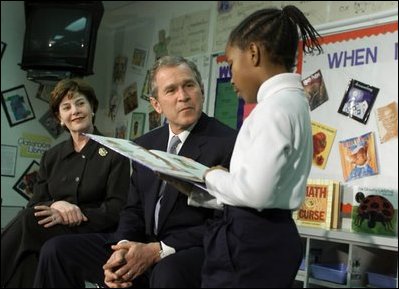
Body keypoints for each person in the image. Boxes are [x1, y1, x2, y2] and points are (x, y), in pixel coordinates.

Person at [33, 56, 237, 288]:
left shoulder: (228, 142)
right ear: (156, 104)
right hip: (141, 242)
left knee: (167, 272)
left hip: (189, 248)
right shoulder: (144, 144)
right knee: (57, 250)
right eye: (171, 90)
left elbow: (227, 220)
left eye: (189, 85)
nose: (183, 96)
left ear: (201, 90)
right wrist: (123, 247)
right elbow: (133, 209)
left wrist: (158, 250)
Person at [181, 5, 323, 287]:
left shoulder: (273, 109)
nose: (231, 78)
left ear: (254, 54)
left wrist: (209, 176)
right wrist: (202, 191)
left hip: (249, 242)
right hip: (270, 235)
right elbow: (268, 192)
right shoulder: (294, 103)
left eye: (231, 64)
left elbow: (256, 193)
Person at [1, 78, 130, 288]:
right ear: (60, 118)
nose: (75, 111)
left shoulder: (115, 153)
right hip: (52, 231)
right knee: (29, 255)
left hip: (95, 232)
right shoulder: (52, 156)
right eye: (66, 107)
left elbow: (117, 208)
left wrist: (74, 215)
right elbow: (35, 204)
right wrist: (55, 205)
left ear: (92, 108)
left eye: (80, 103)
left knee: (27, 222)